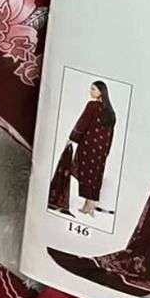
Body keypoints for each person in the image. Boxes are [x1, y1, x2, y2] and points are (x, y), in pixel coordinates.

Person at [48, 81, 117, 216]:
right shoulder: (111, 112)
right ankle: (88, 205)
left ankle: (88, 206)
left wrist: (72, 138)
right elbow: (110, 135)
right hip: (101, 150)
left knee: (86, 173)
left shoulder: (92, 106)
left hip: (89, 146)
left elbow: (83, 123)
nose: (90, 92)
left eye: (93, 89)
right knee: (94, 175)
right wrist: (106, 152)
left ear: (101, 92)